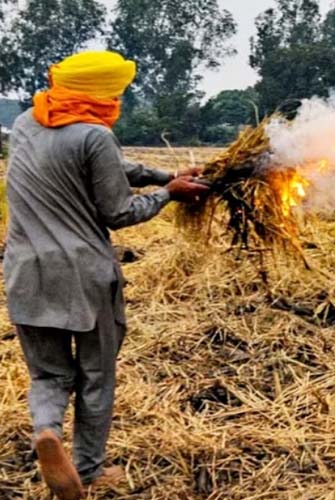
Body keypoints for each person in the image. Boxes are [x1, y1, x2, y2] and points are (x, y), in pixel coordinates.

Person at [3, 51, 209, 499]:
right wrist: (168, 193)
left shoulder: (25, 124)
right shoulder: (94, 135)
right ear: (98, 93)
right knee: (96, 373)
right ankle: (90, 468)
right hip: (83, 276)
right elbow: (117, 211)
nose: (117, 99)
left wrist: (165, 172)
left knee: (48, 375)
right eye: (114, 92)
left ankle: (47, 432)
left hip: (23, 272)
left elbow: (114, 167)